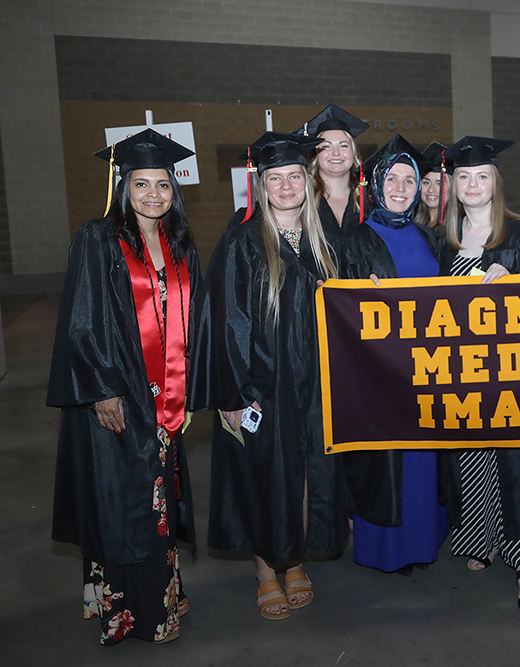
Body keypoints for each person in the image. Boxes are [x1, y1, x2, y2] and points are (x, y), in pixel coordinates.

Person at [49, 129, 199, 645]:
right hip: (118, 398)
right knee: (123, 502)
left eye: (162, 184)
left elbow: (191, 318)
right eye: (141, 184)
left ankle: (163, 597)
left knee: (160, 502)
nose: (153, 194)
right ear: (123, 186)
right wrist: (101, 389)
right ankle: (131, 613)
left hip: (164, 399)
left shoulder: (179, 241)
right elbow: (81, 321)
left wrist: (189, 385)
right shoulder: (99, 238)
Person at [191, 131, 349, 620]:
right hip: (262, 387)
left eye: (294, 176)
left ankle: (295, 558)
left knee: (303, 475)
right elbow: (225, 322)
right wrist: (235, 395)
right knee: (263, 476)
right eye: (275, 178)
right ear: (261, 186)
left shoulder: (322, 241)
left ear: (308, 181)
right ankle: (265, 569)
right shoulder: (241, 241)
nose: (285, 186)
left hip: (314, 386)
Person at [437, 135, 520, 614]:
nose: (472, 183)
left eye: (481, 175)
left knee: (519, 465)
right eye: (463, 176)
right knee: (472, 460)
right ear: (453, 184)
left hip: (513, 376)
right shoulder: (440, 240)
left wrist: (517, 284)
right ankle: (482, 540)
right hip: (460, 377)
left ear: (496, 182)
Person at [336, 134, 450, 576]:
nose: (401, 189)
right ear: (376, 184)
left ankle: (424, 542)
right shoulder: (356, 239)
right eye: (392, 180)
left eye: (410, 180)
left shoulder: (429, 236)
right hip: (380, 375)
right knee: (389, 463)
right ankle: (387, 550)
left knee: (423, 459)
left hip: (427, 368)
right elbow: (341, 313)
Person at [302, 104, 369, 234]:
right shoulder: (302, 198)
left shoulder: (370, 199)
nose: (336, 153)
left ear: (353, 152)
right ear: (316, 154)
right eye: (326, 146)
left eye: (343, 146)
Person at [415, 141, 449, 230]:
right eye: (426, 182)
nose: (431, 190)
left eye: (439, 184)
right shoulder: (416, 225)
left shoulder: (457, 231)